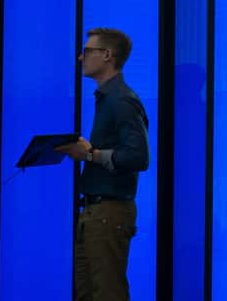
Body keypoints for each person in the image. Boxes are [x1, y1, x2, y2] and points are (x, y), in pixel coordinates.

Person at [56, 27, 149, 301]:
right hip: (96, 213)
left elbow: (138, 157)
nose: (80, 57)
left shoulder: (122, 100)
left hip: (109, 213)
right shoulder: (108, 98)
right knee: (87, 293)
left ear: (106, 55)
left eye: (87, 51)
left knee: (108, 294)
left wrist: (90, 154)